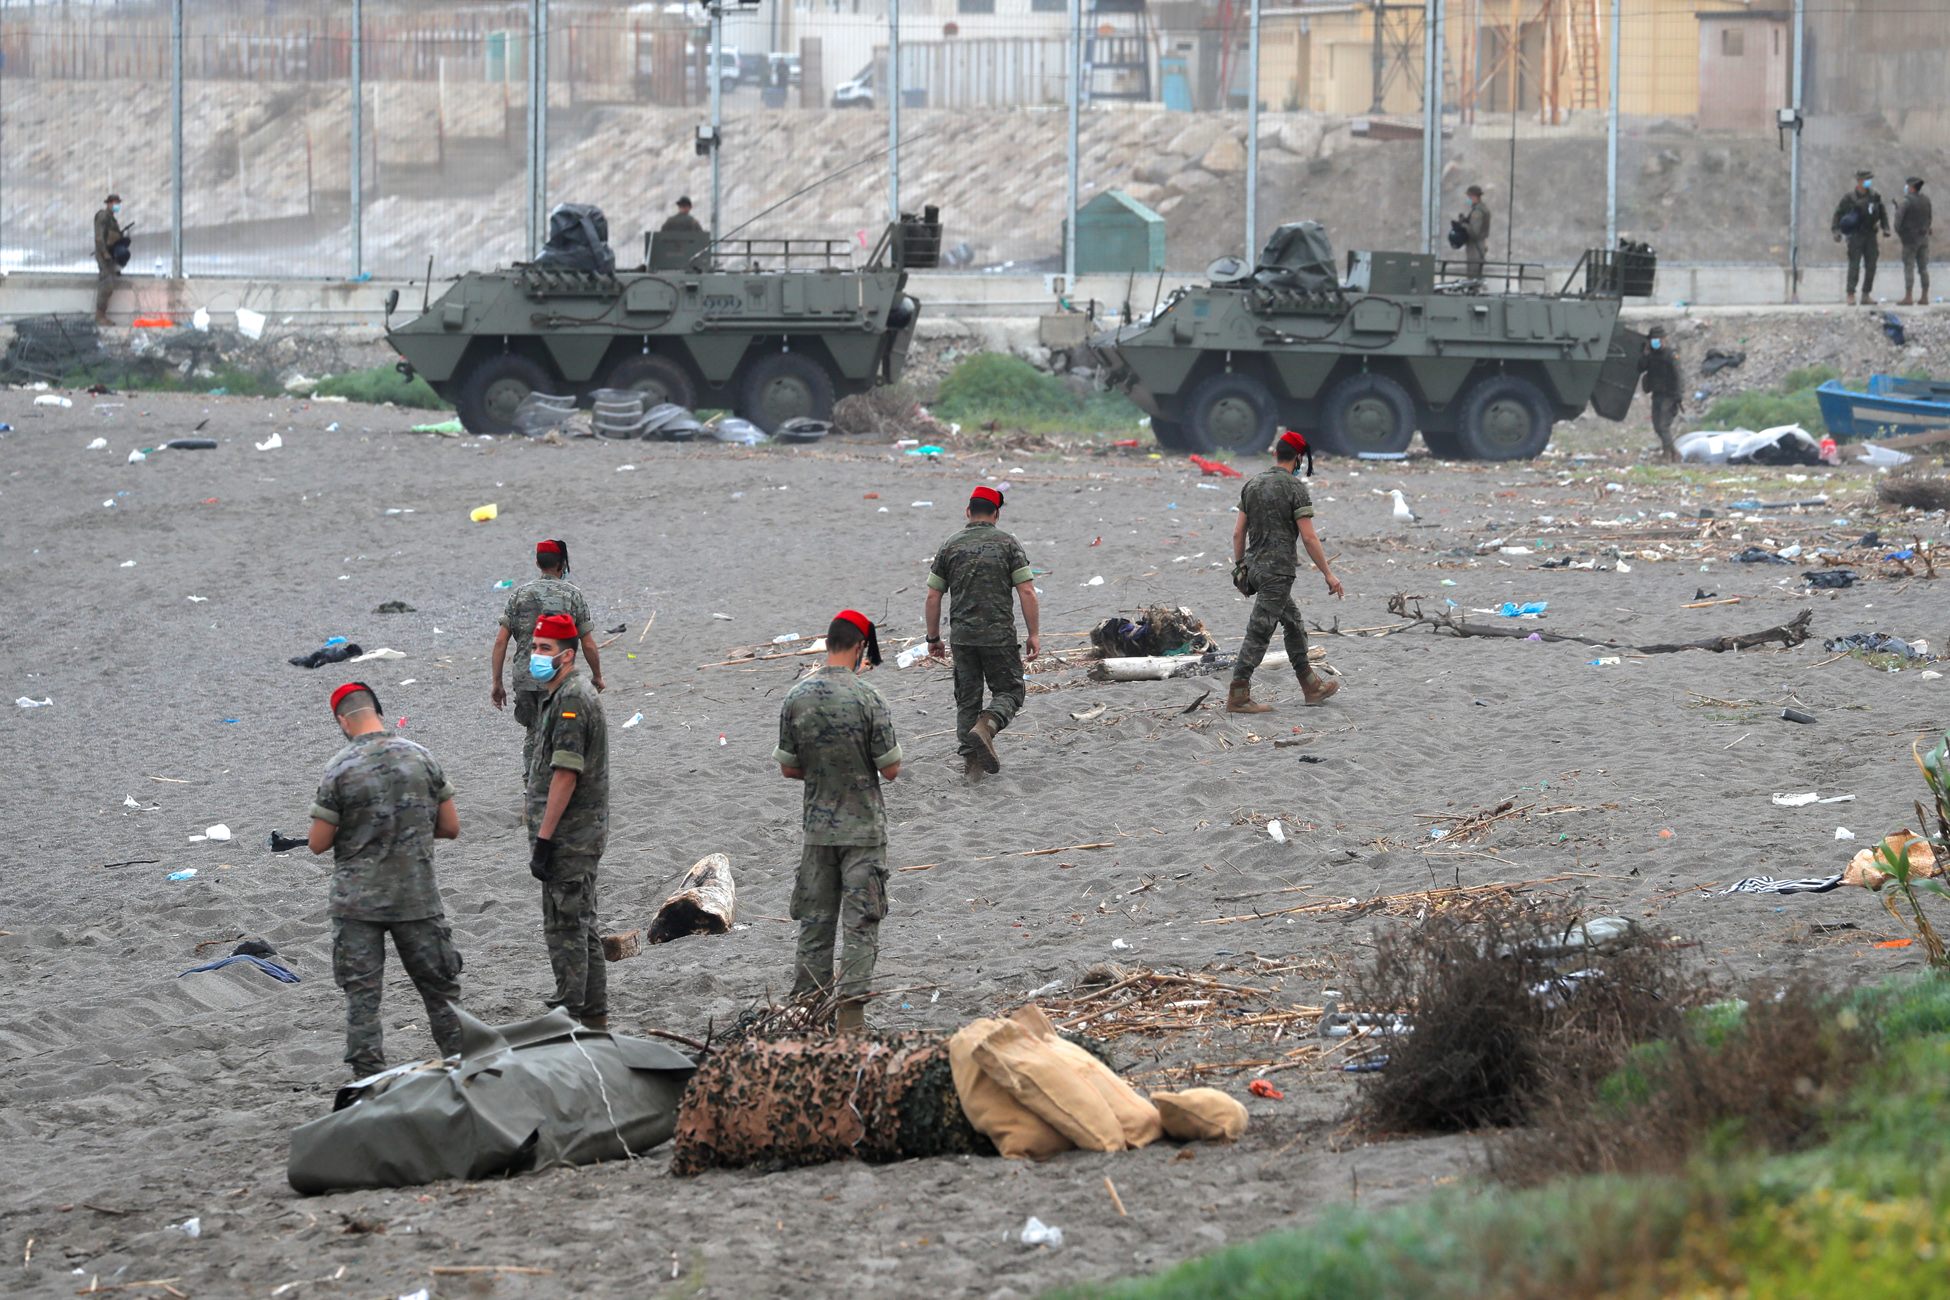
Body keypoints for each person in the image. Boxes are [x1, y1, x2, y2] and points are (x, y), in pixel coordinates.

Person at [308, 682, 464, 1079]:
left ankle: (367, 1088)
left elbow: (317, 843)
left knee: (363, 1000)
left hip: (357, 904)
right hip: (416, 897)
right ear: (378, 709)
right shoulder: (421, 757)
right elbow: (450, 827)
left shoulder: (339, 768)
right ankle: (466, 1072)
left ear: (343, 720)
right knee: (442, 996)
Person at [774, 610, 901, 1033]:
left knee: (815, 921)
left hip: (817, 830)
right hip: (864, 829)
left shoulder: (796, 697)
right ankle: (851, 1018)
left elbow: (789, 769)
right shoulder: (868, 698)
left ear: (827, 644)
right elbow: (892, 769)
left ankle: (807, 1009)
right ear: (860, 647)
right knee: (861, 922)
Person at [525, 613, 611, 1029]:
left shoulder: (573, 698)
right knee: (583, 924)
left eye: (545, 649)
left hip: (569, 837)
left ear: (568, 655)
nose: (536, 655)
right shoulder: (562, 695)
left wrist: (544, 839)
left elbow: (565, 773)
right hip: (577, 834)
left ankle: (572, 1016)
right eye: (535, 647)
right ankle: (594, 1018)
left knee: (567, 928)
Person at [925, 485, 1040, 777]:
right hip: (998, 636)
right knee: (1011, 691)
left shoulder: (950, 545)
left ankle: (972, 765)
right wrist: (1034, 634)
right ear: (996, 514)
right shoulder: (1008, 544)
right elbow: (1027, 591)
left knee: (967, 698)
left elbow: (932, 596)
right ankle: (986, 726)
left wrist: (934, 638)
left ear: (968, 512)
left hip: (962, 638)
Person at [1228, 430, 1344, 714]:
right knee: (1259, 633)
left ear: (1275, 454)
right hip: (1277, 574)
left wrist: (1241, 568)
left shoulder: (1252, 484)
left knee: (1293, 624)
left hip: (1255, 569)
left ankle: (1311, 687)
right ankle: (1238, 696)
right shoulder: (1295, 488)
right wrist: (1329, 574)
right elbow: (1309, 538)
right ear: (1299, 458)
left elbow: (1237, 533)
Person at [491, 539, 604, 776]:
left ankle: (530, 791)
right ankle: (554, 791)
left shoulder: (519, 594)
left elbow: (501, 641)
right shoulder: (573, 595)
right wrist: (597, 676)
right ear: (561, 564)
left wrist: (497, 683)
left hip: (525, 675)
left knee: (533, 732)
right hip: (558, 678)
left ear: (537, 563)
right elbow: (588, 643)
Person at [1833, 170, 1891, 305]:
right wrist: (1836, 231)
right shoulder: (1849, 198)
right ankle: (1851, 293)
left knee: (1871, 265)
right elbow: (1838, 214)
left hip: (1870, 234)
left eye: (1869, 179)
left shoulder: (1874, 196)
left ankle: (1866, 294)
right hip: (1856, 235)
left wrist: (1885, 228)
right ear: (1859, 181)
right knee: (1854, 265)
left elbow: (1882, 213)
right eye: (1866, 179)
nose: (1868, 182)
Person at [1637, 324, 1683, 460]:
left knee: (1663, 426)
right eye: (1652, 339)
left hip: (1669, 395)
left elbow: (1679, 375)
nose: (1654, 342)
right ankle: (1675, 453)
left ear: (1663, 339)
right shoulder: (1651, 356)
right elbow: (1640, 368)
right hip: (1657, 394)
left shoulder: (1670, 355)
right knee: (1657, 426)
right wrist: (1645, 355)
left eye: (1657, 339)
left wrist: (1679, 394)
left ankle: (1667, 454)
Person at [1898, 177, 1932, 306]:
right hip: (1923, 238)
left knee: (1909, 267)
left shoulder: (1906, 202)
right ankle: (1924, 296)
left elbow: (1898, 221)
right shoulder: (1926, 200)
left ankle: (1909, 296)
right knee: (1923, 268)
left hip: (1910, 240)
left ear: (1911, 187)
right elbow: (1929, 219)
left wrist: (1902, 234)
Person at [93, 193, 125, 326]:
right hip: (104, 255)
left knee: (109, 284)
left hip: (110, 255)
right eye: (115, 203)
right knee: (107, 284)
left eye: (118, 203)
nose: (117, 206)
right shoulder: (103, 216)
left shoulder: (111, 219)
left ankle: (101, 315)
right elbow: (99, 237)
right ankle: (100, 316)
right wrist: (105, 253)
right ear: (109, 203)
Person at [1460, 185, 1491, 282]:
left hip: (1475, 245)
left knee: (1473, 274)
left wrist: (1463, 225)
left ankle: (1473, 292)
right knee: (1475, 273)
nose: (1468, 199)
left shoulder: (1478, 212)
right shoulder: (1481, 209)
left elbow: (1475, 232)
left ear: (1474, 196)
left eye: (1469, 196)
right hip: (1479, 245)